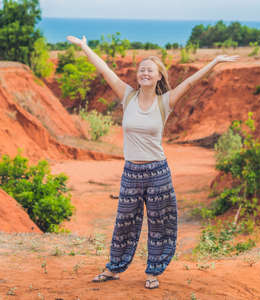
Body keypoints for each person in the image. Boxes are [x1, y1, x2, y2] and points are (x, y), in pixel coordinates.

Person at [67, 35, 238, 289]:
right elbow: (105, 71)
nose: (145, 73)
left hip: (157, 172)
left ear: (159, 76)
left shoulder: (165, 101)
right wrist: (85, 47)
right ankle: (114, 268)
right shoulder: (127, 96)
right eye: (141, 69)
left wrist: (214, 61)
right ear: (138, 75)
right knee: (124, 220)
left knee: (160, 223)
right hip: (131, 171)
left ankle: (153, 272)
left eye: (150, 70)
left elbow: (190, 83)